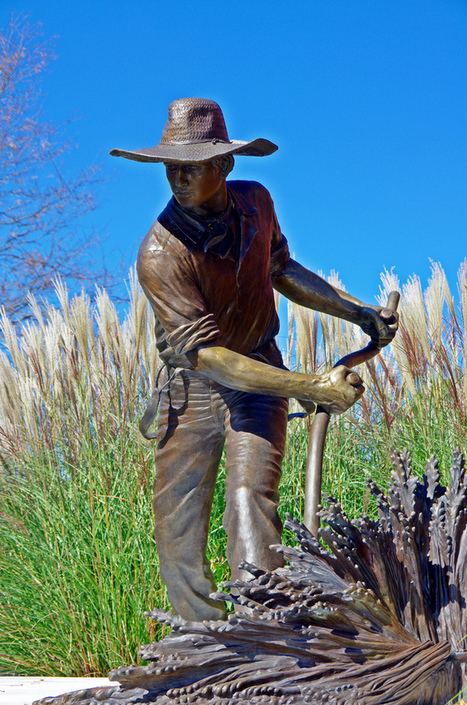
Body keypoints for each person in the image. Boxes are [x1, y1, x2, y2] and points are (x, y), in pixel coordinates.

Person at [110, 98, 397, 622]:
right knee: (178, 523)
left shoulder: (257, 203)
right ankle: (199, 643)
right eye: (171, 167)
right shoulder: (160, 253)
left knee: (248, 501)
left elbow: (282, 270)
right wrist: (311, 387)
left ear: (224, 166)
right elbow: (212, 358)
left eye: (191, 167)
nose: (177, 178)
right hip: (193, 388)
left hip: (257, 375)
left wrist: (358, 312)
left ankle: (262, 629)